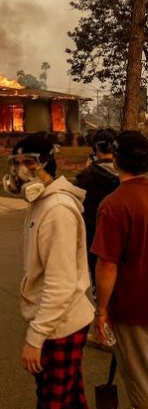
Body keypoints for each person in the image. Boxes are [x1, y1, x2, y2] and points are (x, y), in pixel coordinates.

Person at [3, 135, 94, 409]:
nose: (21, 171)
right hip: (57, 319)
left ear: (47, 164)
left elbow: (61, 283)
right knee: (70, 398)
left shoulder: (56, 210)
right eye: (17, 163)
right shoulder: (40, 202)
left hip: (61, 323)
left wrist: (36, 336)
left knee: (52, 400)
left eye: (29, 162)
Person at [92, 131, 148, 409]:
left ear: (115, 160)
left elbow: (108, 265)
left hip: (133, 309)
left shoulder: (114, 205)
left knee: (143, 386)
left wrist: (101, 310)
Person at [74, 128, 119, 286]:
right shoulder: (125, 175)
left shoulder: (87, 176)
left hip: (95, 240)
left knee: (100, 286)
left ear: (96, 148)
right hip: (122, 240)